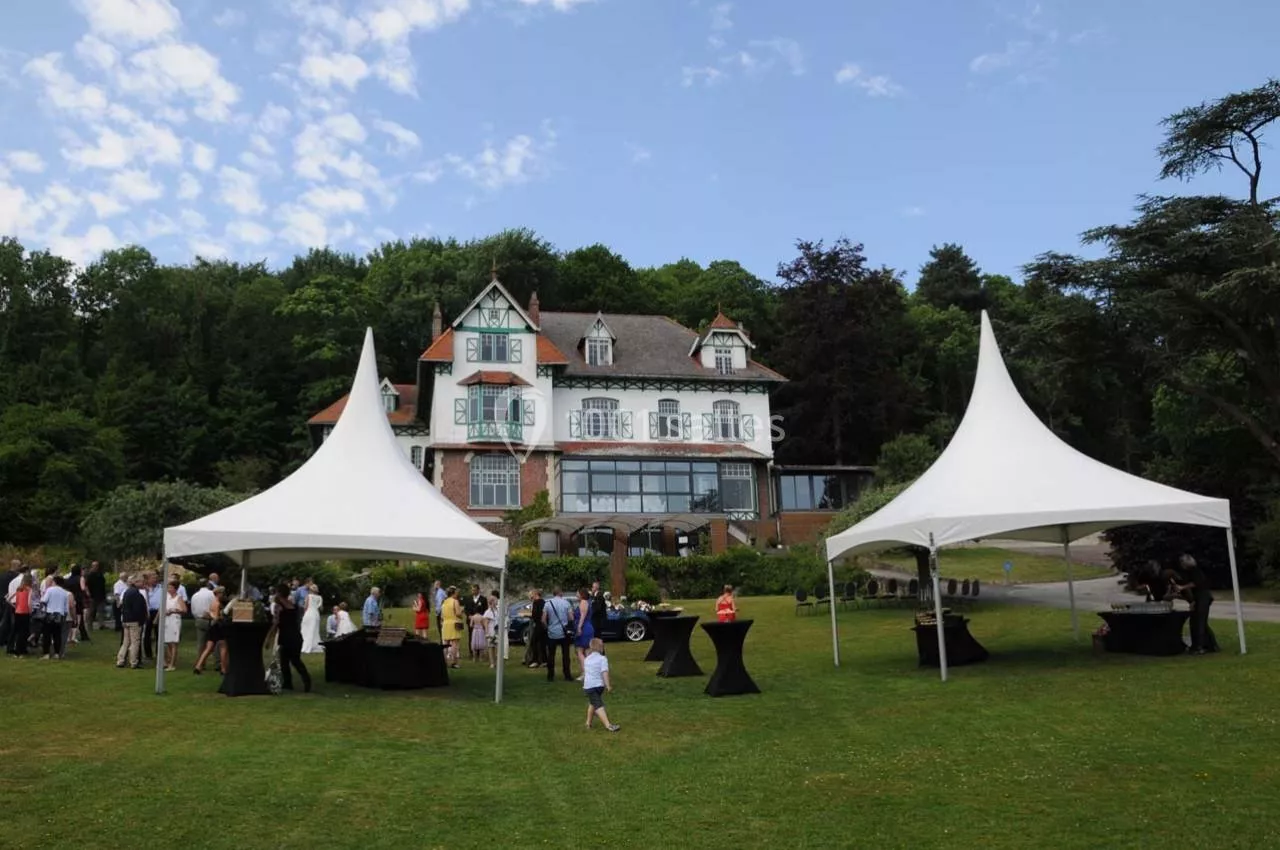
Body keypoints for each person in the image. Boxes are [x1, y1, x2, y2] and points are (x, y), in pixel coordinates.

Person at [1173, 554, 1218, 654]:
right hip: (1199, 598)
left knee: (1199, 622)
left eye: (1182, 562)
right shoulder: (1189, 572)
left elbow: (1196, 583)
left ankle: (1199, 646)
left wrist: (1182, 587)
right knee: (1197, 621)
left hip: (1203, 597)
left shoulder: (1195, 571)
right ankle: (1210, 645)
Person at [272, 584, 311, 693]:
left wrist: (271, 634)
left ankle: (288, 683)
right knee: (295, 660)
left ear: (279, 593)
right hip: (296, 635)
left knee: (284, 660)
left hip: (286, 636)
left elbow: (276, 622)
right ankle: (305, 679)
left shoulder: (278, 606)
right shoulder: (294, 606)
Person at [582, 638, 620, 732]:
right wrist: (608, 685)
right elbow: (604, 672)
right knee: (599, 706)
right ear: (601, 647)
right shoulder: (602, 659)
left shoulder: (586, 659)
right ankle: (608, 725)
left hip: (588, 686)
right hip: (597, 686)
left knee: (593, 703)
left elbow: (586, 672)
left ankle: (588, 723)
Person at [193, 588, 228, 675]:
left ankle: (198, 666)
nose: (224, 595)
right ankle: (223, 669)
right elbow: (216, 617)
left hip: (212, 626)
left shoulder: (212, 603)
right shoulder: (218, 604)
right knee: (223, 647)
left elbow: (210, 614)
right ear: (218, 594)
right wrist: (221, 617)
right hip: (218, 627)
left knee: (208, 648)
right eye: (222, 593)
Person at [542, 587, 573, 682]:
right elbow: (571, 618)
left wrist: (547, 627)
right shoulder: (566, 603)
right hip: (564, 632)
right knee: (566, 654)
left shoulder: (548, 604)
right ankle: (567, 675)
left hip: (552, 632)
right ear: (560, 593)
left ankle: (550, 675)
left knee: (551, 655)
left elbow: (543, 619)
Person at [117, 575, 147, 669]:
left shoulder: (127, 592)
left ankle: (121, 660)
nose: (143, 583)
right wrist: (141, 620)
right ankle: (133, 661)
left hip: (126, 619)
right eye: (141, 582)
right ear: (136, 582)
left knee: (126, 641)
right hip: (134, 620)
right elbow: (137, 609)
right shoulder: (136, 594)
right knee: (135, 641)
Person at [40, 576, 71, 660]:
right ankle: (57, 653)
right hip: (60, 614)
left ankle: (46, 653)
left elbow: (44, 600)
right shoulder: (65, 592)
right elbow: (66, 608)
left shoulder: (50, 590)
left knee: (47, 634)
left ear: (55, 582)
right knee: (57, 634)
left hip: (50, 613)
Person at [162, 577, 187, 672]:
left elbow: (184, 610)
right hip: (167, 620)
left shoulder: (178, 598)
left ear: (175, 588)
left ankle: (172, 664)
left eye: (170, 587)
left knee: (173, 643)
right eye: (168, 587)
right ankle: (170, 661)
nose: (169, 589)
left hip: (175, 620)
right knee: (168, 641)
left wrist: (174, 610)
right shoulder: (167, 597)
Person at [6, 573, 33, 657]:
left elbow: (8, 599)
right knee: (24, 632)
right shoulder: (29, 589)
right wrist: (30, 610)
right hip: (25, 612)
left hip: (17, 612)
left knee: (17, 631)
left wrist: (15, 606)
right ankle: (21, 650)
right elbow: (29, 602)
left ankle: (16, 649)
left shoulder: (19, 589)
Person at [190, 581, 216, 661]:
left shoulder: (194, 595)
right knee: (214, 641)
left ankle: (200, 661)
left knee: (200, 643)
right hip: (210, 620)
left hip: (199, 620)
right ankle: (216, 660)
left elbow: (193, 610)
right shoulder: (212, 594)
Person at [573, 588, 595, 678]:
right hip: (587, 627)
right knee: (586, 651)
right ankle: (589, 673)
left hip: (584, 628)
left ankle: (585, 673)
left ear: (582, 594)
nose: (576, 595)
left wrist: (579, 627)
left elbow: (583, 616)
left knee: (579, 650)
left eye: (577, 593)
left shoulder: (583, 602)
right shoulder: (586, 602)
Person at [441, 586, 464, 668]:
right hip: (454, 623)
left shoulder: (444, 602)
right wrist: (461, 613)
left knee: (445, 644)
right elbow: (458, 613)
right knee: (454, 644)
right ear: (453, 593)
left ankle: (444, 662)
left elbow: (442, 615)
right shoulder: (455, 601)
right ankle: (454, 663)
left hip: (445, 623)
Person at [524, 589, 547, 669]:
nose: (530, 596)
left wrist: (528, 615)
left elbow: (535, 614)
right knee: (542, 643)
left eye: (531, 595)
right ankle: (544, 660)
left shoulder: (536, 603)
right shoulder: (543, 602)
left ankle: (535, 660)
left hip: (538, 625)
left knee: (534, 642)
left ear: (535, 594)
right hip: (543, 625)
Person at [301, 582, 324, 653]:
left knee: (306, 629)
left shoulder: (309, 596)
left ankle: (306, 645)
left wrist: (304, 614)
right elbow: (321, 608)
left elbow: (305, 606)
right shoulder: (320, 597)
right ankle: (314, 644)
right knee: (315, 630)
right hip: (316, 614)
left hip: (309, 613)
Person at [144, 572, 163, 660]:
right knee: (147, 634)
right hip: (148, 612)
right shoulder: (145, 589)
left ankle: (158, 653)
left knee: (158, 633)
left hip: (158, 611)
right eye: (152, 578)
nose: (155, 580)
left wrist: (157, 617)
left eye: (156, 578)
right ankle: (148, 654)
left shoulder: (161, 588)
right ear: (148, 579)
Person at [86, 561, 106, 631]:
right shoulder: (90, 575)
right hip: (93, 596)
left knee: (101, 611)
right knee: (91, 612)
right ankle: (89, 626)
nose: (96, 567)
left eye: (97, 565)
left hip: (101, 595)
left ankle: (101, 625)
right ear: (92, 566)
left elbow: (103, 584)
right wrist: (88, 593)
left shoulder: (100, 574)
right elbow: (86, 585)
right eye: (95, 566)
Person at [483, 593, 499, 667]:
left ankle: (497, 662)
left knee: (497, 647)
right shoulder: (488, 612)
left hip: (497, 631)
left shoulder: (498, 610)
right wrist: (487, 633)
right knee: (491, 647)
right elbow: (486, 623)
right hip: (491, 631)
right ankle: (492, 663)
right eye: (495, 600)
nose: (497, 601)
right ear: (492, 602)